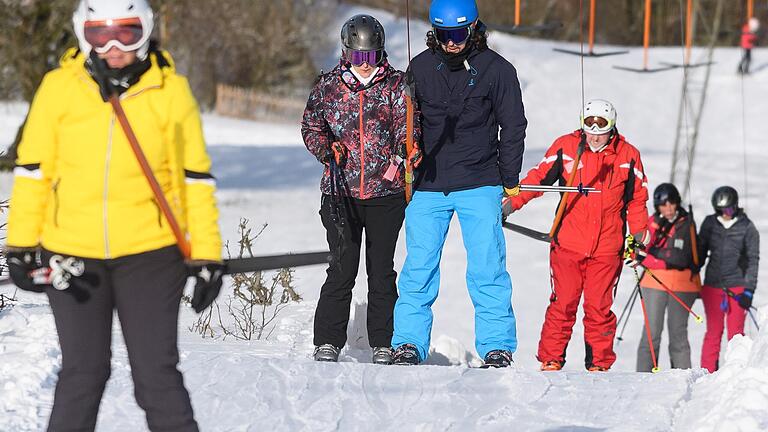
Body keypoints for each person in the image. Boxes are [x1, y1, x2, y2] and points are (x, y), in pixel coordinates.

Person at [4, 1, 223, 430]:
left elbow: (194, 180)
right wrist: (21, 246)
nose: (114, 46)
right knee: (82, 375)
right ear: (82, 34)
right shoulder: (58, 87)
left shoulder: (171, 91)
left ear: (145, 31)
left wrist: (207, 257)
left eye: (127, 31)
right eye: (100, 34)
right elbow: (33, 172)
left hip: (151, 255)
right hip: (71, 255)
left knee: (156, 377)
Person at [390, 0, 527, 368]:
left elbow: (513, 127)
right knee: (418, 267)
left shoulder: (498, 71)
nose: (452, 43)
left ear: (474, 29)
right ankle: (408, 344)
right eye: (445, 34)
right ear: (435, 32)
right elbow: (401, 122)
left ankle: (497, 346)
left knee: (487, 267)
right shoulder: (419, 67)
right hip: (427, 186)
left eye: (460, 34)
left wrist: (509, 180)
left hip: (480, 183)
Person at [302, 14, 418, 365]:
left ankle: (383, 341)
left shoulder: (397, 85)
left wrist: (406, 148)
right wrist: (326, 149)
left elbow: (409, 128)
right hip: (341, 193)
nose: (364, 65)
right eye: (358, 57)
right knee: (341, 268)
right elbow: (311, 125)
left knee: (381, 271)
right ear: (346, 52)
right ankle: (328, 341)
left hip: (386, 194)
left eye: (371, 57)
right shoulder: (328, 86)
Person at [505, 99, 649, 372]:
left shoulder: (628, 156)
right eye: (589, 125)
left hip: (607, 250)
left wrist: (639, 238)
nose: (595, 133)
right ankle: (551, 360)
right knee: (563, 304)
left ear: (612, 127)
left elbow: (637, 201)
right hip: (568, 245)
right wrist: (511, 203)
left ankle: (599, 364)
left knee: (599, 309)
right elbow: (538, 179)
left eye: (601, 126)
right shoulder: (567, 147)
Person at [634, 183, 701, 372]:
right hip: (653, 284)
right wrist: (653, 257)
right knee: (651, 334)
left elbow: (680, 258)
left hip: (681, 285)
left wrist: (651, 258)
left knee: (677, 334)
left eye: (672, 203)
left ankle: (682, 376)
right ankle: (643, 376)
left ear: (677, 202)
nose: (669, 208)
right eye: (664, 204)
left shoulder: (686, 223)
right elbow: (638, 250)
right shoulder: (652, 222)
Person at [699, 186, 759, 373]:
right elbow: (699, 253)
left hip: (737, 289)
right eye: (721, 210)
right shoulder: (710, 223)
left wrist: (749, 290)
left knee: (736, 335)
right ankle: (707, 372)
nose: (725, 214)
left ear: (736, 206)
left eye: (729, 210)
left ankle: (735, 372)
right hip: (712, 287)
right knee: (713, 333)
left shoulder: (747, 227)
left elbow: (752, 260)